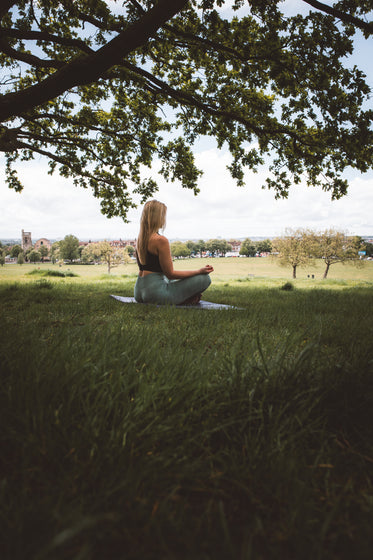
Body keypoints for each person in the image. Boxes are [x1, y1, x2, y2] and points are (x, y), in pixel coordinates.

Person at [134, 200, 213, 305]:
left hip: (139, 292)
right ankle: (186, 299)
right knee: (205, 279)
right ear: (158, 217)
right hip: (155, 294)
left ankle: (186, 297)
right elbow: (171, 274)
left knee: (167, 279)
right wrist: (199, 271)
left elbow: (165, 275)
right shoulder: (160, 240)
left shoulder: (140, 240)